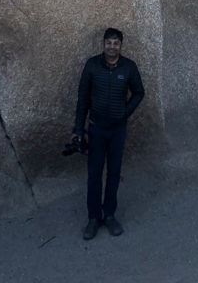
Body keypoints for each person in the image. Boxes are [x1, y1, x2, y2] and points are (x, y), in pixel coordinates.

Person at [71, 27, 145, 240]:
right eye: (109, 42)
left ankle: (109, 215)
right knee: (94, 174)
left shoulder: (128, 67)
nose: (112, 47)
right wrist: (78, 129)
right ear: (103, 44)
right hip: (96, 129)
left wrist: (125, 112)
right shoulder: (92, 66)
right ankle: (93, 218)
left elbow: (139, 92)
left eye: (116, 43)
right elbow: (83, 99)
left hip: (117, 130)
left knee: (113, 173)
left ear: (121, 46)